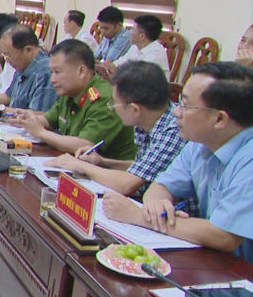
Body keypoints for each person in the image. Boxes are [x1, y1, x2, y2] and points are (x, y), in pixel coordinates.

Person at [101, 62, 253, 260]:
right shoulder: (199, 144)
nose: (175, 112)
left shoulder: (248, 160)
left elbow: (224, 235)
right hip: (214, 260)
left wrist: (139, 216)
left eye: (185, 105)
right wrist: (159, 208)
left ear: (219, 119)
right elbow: (160, 187)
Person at [48, 61, 192, 203]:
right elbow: (143, 167)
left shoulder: (173, 131)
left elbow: (127, 184)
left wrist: (78, 165)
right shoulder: (146, 120)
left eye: (114, 103)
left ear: (135, 109)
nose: (112, 108)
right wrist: (103, 162)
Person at [12, 39, 137, 159]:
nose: (52, 80)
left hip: (106, 174)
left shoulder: (103, 98)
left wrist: (40, 133)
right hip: (75, 165)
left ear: (81, 71)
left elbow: (85, 145)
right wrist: (26, 120)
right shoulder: (71, 90)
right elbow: (49, 120)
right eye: (52, 72)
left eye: (57, 72)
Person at [0, 25, 56, 115]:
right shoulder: (22, 64)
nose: (6, 60)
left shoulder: (45, 72)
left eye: (9, 55)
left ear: (28, 50)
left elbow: (40, 115)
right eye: (4, 55)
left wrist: (0, 110)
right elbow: (8, 97)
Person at [101, 14, 168, 79]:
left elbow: (138, 79)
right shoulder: (136, 47)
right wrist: (106, 66)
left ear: (142, 36)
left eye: (133, 29)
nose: (130, 32)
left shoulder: (155, 56)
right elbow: (119, 64)